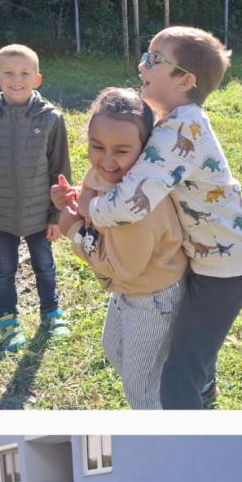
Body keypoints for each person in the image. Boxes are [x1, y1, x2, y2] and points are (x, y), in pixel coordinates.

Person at [57, 26, 242, 409]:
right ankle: (205, 385)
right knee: (194, 343)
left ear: (185, 80)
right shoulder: (178, 121)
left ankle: (187, 430)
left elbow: (126, 205)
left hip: (227, 270)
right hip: (214, 258)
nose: (142, 65)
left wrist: (84, 210)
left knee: (178, 371)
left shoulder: (180, 129)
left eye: (154, 59)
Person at [53, 88, 188, 409]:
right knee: (114, 350)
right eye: (97, 146)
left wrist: (72, 228)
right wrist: (76, 200)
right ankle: (184, 382)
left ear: (145, 150)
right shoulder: (107, 173)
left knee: (140, 388)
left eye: (121, 151)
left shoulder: (136, 207)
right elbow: (93, 193)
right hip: (128, 290)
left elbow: (119, 267)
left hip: (153, 297)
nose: (107, 160)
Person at [0, 43, 72, 352]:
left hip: (40, 214)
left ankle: (51, 314)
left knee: (45, 265)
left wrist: (56, 215)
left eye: (25, 73)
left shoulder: (51, 119)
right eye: (9, 73)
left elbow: (61, 171)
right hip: (0, 217)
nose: (17, 79)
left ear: (37, 79)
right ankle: (7, 320)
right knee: (4, 270)